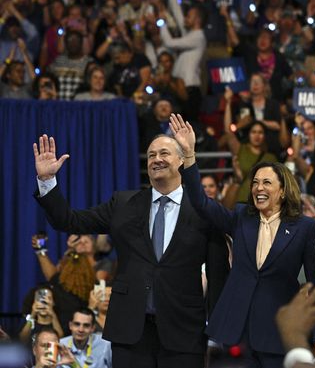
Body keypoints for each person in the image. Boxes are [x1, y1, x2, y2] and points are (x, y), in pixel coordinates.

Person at [33, 133, 227, 367]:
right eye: (151, 155)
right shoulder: (124, 204)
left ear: (181, 161)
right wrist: (47, 181)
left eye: (164, 153)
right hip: (130, 332)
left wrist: (218, 334)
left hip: (184, 332)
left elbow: (218, 277)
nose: (157, 159)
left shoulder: (203, 210)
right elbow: (69, 221)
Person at [168, 113, 315, 368]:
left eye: (266, 182)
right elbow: (200, 202)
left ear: (283, 190)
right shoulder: (242, 216)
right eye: (255, 183)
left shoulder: (305, 228)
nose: (258, 188)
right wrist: (189, 156)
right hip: (235, 329)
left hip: (276, 334)